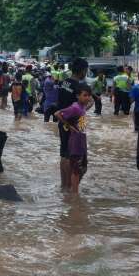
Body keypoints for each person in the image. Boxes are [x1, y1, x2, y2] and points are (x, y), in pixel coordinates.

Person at [56, 58, 89, 189]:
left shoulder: (63, 82)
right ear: (82, 71)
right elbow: (82, 107)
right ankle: (71, 187)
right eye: (86, 70)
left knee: (64, 154)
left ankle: (64, 185)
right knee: (80, 162)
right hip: (74, 125)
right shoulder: (78, 87)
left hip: (62, 120)